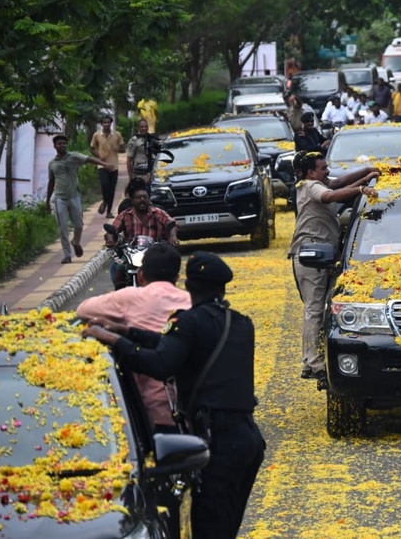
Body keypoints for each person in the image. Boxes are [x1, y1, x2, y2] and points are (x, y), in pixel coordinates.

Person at [83, 251, 265, 539]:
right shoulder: (240, 322)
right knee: (226, 526)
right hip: (247, 441)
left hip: (217, 443)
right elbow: (180, 345)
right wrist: (131, 332)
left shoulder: (188, 323)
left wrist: (117, 341)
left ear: (188, 286)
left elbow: (161, 363)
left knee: (209, 529)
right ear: (222, 287)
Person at [77, 243, 192, 431]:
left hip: (154, 411)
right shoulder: (191, 301)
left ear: (141, 275)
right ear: (177, 278)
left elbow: (83, 310)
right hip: (192, 410)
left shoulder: (129, 297)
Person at [290, 151, 379, 383]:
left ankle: (316, 359)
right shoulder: (310, 186)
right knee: (314, 309)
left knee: (321, 308)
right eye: (323, 168)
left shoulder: (317, 182)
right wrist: (361, 189)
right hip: (311, 257)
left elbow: (338, 184)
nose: (327, 171)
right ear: (310, 172)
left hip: (324, 256)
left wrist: (369, 173)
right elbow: (331, 195)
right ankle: (312, 361)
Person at [46, 134, 114, 263]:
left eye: (64, 143)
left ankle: (76, 241)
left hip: (74, 196)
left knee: (79, 225)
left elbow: (90, 159)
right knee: (63, 228)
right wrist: (47, 201)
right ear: (54, 146)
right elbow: (51, 182)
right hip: (60, 198)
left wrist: (105, 164)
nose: (62, 145)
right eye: (59, 143)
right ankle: (67, 254)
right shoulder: (52, 163)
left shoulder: (74, 157)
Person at [90, 115, 124, 218]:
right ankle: (105, 201)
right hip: (102, 165)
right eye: (104, 122)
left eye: (108, 122)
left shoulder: (117, 135)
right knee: (105, 185)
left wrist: (117, 148)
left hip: (114, 165)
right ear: (101, 124)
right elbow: (91, 148)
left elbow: (123, 149)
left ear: (111, 123)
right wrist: (98, 155)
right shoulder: (97, 135)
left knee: (112, 189)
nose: (106, 124)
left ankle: (109, 211)